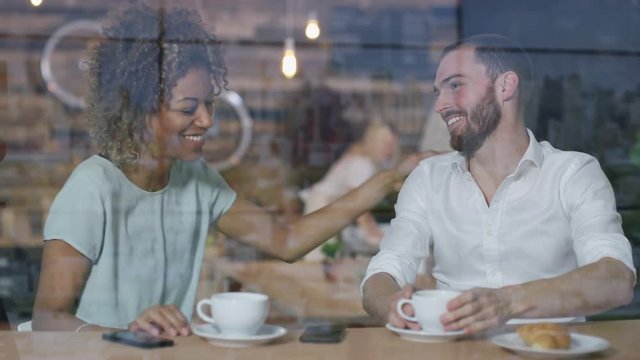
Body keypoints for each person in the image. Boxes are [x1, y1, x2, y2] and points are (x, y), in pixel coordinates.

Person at [31, 4, 431, 336]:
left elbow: (287, 240)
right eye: (188, 108)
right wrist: (120, 334)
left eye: (210, 104)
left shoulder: (197, 180)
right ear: (138, 110)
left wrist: (390, 178)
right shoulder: (93, 187)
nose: (206, 120)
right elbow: (48, 318)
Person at [361, 34, 636, 334]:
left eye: (455, 86)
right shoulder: (427, 178)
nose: (440, 105)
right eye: (438, 92)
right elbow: (384, 271)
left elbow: (616, 279)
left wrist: (507, 302)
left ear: (505, 86)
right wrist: (390, 304)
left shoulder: (573, 173)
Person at [300, 120, 401, 259]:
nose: (389, 150)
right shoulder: (362, 164)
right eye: (386, 144)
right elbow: (357, 203)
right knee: (322, 261)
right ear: (375, 143)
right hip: (321, 208)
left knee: (330, 261)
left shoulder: (367, 161)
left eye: (392, 145)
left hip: (329, 209)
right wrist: (373, 234)